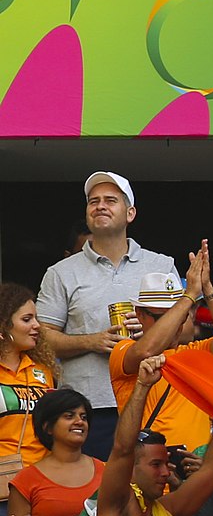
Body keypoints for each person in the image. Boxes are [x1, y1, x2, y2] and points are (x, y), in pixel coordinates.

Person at [40, 176, 178, 420]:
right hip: (86, 408)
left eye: (110, 201)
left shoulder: (162, 264)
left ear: (130, 213)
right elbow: (41, 339)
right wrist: (92, 341)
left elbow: (187, 330)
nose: (100, 206)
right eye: (94, 201)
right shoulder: (60, 272)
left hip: (155, 401)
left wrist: (152, 330)